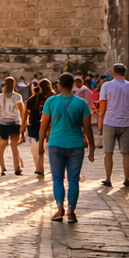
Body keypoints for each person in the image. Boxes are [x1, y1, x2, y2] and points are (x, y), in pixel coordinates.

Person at [41, 73, 96, 222]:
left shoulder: (51, 102)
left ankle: (59, 209)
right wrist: (91, 147)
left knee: (57, 179)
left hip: (55, 144)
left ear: (59, 85)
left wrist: (41, 144)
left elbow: (44, 125)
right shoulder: (81, 103)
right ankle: (71, 210)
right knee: (73, 180)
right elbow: (87, 128)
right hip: (75, 145)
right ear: (73, 85)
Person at [98, 63, 129, 188]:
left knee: (108, 152)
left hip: (110, 121)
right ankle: (126, 179)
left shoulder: (106, 85)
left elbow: (103, 106)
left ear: (113, 72)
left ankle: (108, 178)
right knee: (126, 152)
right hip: (127, 122)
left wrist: (101, 122)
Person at [0, 77, 27, 175]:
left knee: (2, 147)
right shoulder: (17, 96)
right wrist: (23, 125)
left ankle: (3, 168)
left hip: (3, 123)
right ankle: (17, 167)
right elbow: (22, 112)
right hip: (15, 123)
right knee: (14, 146)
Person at [26, 78, 52, 177]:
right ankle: (43, 168)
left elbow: (26, 114)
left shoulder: (32, 99)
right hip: (52, 125)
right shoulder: (54, 97)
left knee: (38, 146)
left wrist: (23, 128)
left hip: (36, 124)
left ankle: (39, 168)